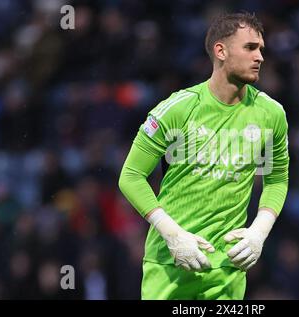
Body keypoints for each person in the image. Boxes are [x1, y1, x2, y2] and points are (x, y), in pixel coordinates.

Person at [118, 12, 289, 300]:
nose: (260, 56)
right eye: (250, 47)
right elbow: (131, 176)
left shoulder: (271, 114)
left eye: (261, 49)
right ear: (220, 51)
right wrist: (172, 234)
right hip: (170, 264)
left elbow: (277, 180)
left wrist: (259, 231)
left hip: (229, 267)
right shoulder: (178, 108)